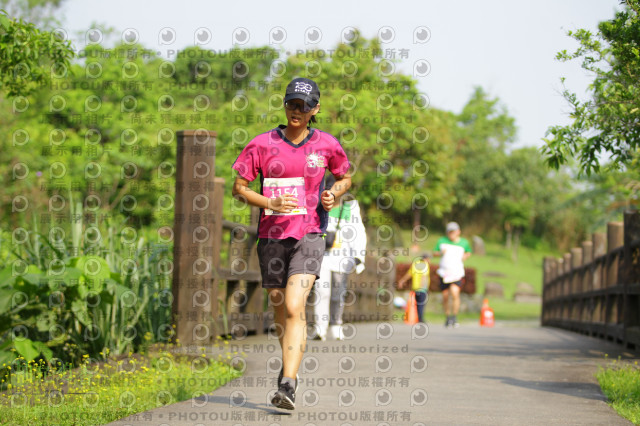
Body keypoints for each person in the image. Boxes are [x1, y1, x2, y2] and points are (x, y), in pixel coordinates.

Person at [231, 77, 351, 410]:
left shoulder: (325, 144)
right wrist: (269, 204)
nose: (296, 111)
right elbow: (239, 187)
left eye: (304, 105)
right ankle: (288, 365)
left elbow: (345, 176)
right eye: (291, 104)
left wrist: (332, 194)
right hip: (271, 237)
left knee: (297, 306)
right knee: (280, 306)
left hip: (310, 233)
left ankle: (288, 383)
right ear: (284, 105)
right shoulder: (262, 144)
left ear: (316, 109)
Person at [313, 185, 367, 341]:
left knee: (338, 293)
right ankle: (320, 328)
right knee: (321, 292)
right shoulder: (319, 206)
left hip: (342, 259)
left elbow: (359, 233)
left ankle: (336, 325)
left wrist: (358, 256)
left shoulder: (350, 208)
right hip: (322, 256)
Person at [433, 222, 472, 328]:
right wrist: (441, 253)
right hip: (444, 272)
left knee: (455, 293)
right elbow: (434, 253)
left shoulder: (464, 242)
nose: (451, 233)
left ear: (458, 232)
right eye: (450, 231)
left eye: (453, 231)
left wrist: (465, 256)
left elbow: (468, 252)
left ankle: (454, 316)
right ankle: (447, 317)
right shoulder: (442, 241)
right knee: (445, 296)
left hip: (456, 272)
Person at [396, 253, 430, 323]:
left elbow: (409, 274)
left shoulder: (415, 265)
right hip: (422, 288)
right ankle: (420, 319)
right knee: (421, 304)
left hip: (415, 288)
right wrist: (422, 285)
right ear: (425, 259)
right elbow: (424, 276)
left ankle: (417, 318)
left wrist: (402, 281)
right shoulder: (425, 265)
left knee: (417, 304)